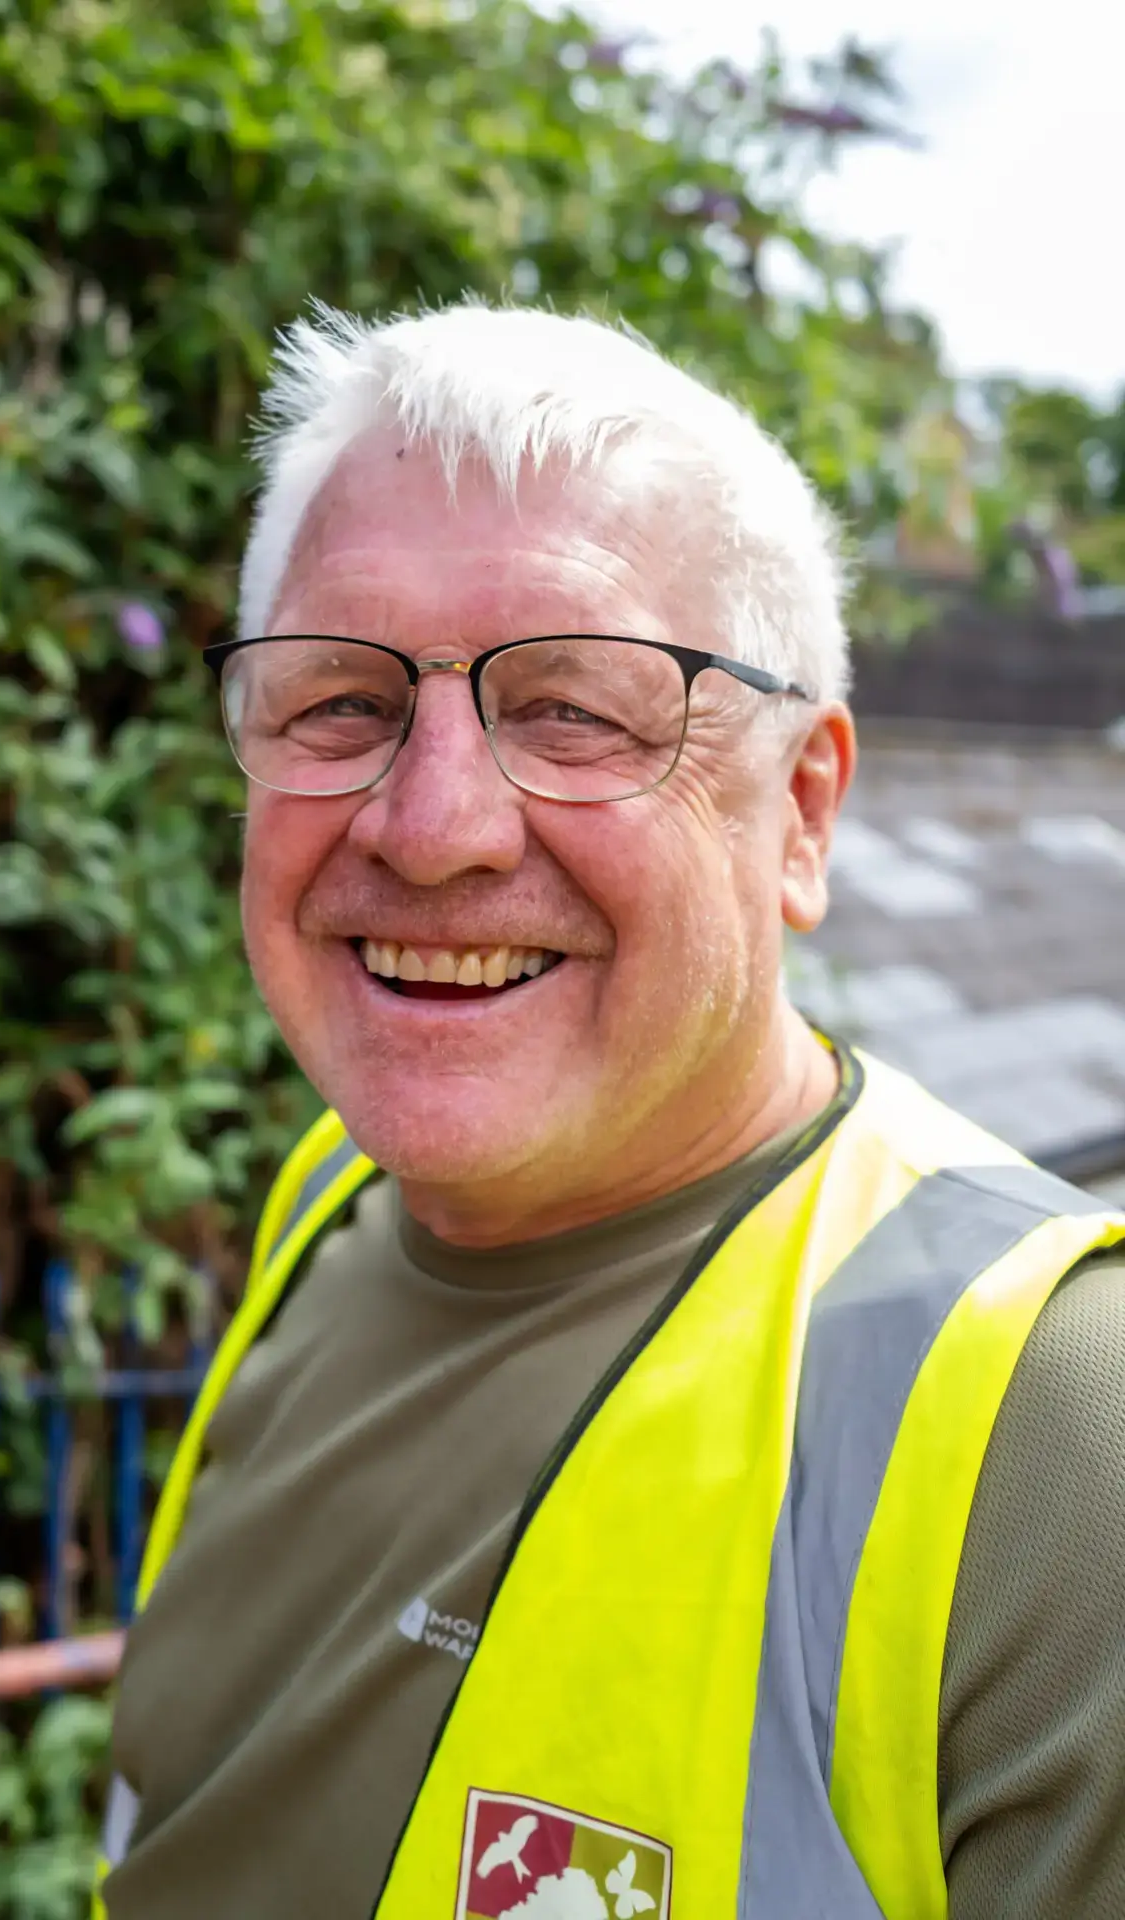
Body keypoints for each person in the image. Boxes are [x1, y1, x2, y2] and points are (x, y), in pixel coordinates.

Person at [95, 302, 1125, 1920]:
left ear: (800, 813)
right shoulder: (327, 1203)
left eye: (575, 709)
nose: (433, 828)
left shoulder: (1061, 1431)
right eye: (341, 702)